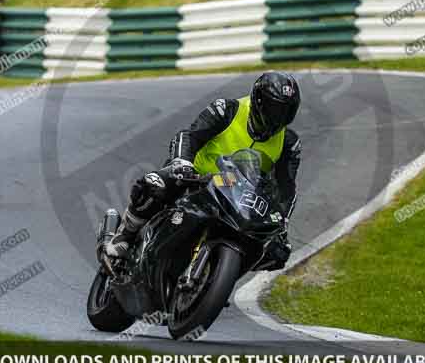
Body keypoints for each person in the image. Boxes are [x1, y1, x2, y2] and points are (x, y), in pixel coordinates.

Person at [106, 71, 302, 270]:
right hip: (195, 177)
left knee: (276, 253)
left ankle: (213, 279)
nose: (278, 118)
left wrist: (282, 223)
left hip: (237, 194)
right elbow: (190, 136)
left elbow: (286, 188)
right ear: (258, 101)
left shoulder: (289, 143)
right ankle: (125, 235)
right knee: (154, 183)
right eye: (274, 109)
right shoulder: (227, 109)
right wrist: (182, 162)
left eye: (285, 112)